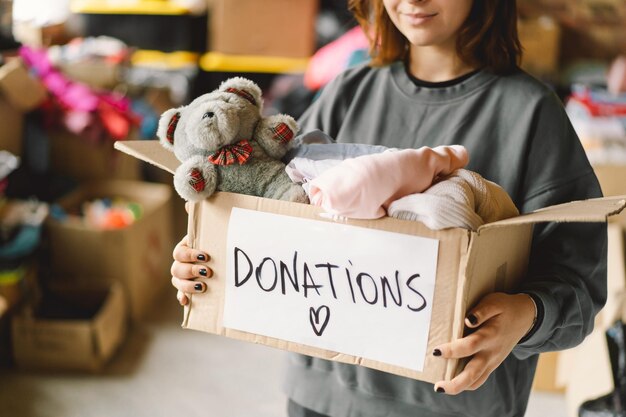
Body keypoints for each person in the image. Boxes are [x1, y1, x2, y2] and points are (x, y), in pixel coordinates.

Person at [170, 0, 608, 416]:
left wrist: (525, 315)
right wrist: (206, 259)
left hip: (454, 404)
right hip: (322, 395)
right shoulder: (348, 90)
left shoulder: (532, 114)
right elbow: (273, 212)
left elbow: (581, 287)